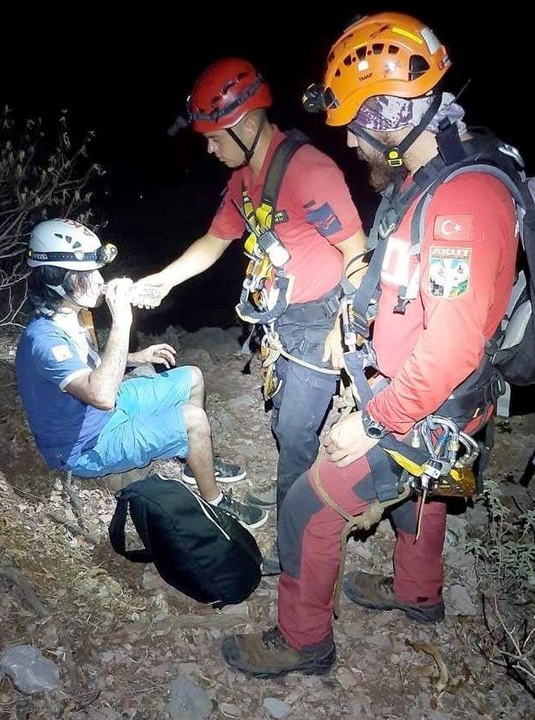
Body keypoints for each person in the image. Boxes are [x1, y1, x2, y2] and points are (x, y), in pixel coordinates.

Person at [222, 11, 519, 677]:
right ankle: (418, 595)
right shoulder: (438, 173)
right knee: (429, 494)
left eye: (358, 123)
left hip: (427, 407)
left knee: (307, 507)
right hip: (445, 403)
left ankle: (303, 643)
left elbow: (450, 346)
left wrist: (373, 420)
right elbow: (398, 276)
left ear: (388, 115)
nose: (352, 141)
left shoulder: (460, 204)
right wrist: (351, 324)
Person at [134, 58, 368, 572]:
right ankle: (299, 507)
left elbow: (357, 251)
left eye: (214, 138)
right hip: (280, 321)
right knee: (288, 429)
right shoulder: (245, 180)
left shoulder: (309, 171)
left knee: (298, 433)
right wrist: (163, 279)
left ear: (241, 124)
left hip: (319, 319)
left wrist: (343, 323)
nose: (210, 149)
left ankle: (297, 551)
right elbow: (216, 240)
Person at [15, 218, 266, 529]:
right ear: (55, 279)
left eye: (95, 271)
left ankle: (189, 461)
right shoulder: (44, 341)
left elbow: (91, 364)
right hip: (83, 444)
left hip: (100, 410)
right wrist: (122, 321)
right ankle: (215, 503)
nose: (96, 280)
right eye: (85, 275)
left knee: (192, 377)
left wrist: (136, 357)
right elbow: (102, 395)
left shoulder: (71, 314)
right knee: (194, 419)